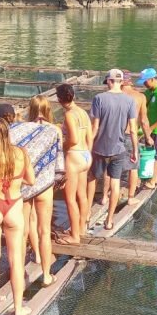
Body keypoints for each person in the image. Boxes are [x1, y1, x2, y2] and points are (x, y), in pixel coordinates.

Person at [0, 99, 61, 285]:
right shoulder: (47, 129)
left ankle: (19, 273)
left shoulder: (10, 133)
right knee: (44, 230)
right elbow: (57, 156)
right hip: (45, 185)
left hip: (24, 185)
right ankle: (47, 275)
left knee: (23, 232)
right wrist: (56, 176)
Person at [0, 116, 35, 315]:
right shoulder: (22, 153)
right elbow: (31, 180)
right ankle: (19, 309)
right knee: (16, 260)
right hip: (14, 206)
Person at [88, 69, 138, 231]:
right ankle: (109, 221)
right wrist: (135, 150)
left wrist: (88, 147)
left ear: (109, 82)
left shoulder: (99, 99)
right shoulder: (130, 101)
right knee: (115, 183)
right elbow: (133, 128)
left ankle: (87, 214)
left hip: (99, 148)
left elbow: (94, 127)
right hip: (119, 148)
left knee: (92, 179)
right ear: (122, 82)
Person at [55, 83, 92, 244]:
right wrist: (87, 154)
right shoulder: (83, 112)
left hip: (75, 156)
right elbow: (89, 137)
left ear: (59, 99)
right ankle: (81, 229)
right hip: (86, 155)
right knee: (82, 194)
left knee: (70, 198)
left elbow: (74, 139)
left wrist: (62, 146)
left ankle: (74, 236)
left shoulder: (69, 115)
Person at [122, 70, 154, 204]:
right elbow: (144, 120)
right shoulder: (140, 97)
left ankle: (106, 196)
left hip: (113, 135)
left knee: (111, 167)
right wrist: (148, 137)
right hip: (130, 135)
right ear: (130, 81)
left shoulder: (113, 95)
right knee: (133, 167)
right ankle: (130, 197)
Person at [137, 68, 157, 188]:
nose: (144, 84)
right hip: (149, 129)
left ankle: (152, 180)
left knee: (156, 156)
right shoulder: (149, 92)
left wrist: (151, 128)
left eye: (146, 81)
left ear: (152, 79)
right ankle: (154, 177)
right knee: (150, 154)